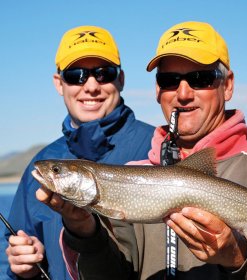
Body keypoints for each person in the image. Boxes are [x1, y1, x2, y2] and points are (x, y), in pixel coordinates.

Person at [36, 21, 247, 279]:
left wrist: (237, 259)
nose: (183, 93)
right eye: (169, 80)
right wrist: (83, 233)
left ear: (228, 84)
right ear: (157, 89)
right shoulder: (131, 177)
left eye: (200, 78)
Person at [4, 25, 155, 279]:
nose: (92, 86)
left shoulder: (158, 147)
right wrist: (22, 267)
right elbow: (8, 249)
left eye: (104, 73)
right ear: (59, 83)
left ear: (121, 79)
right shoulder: (40, 167)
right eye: (77, 75)